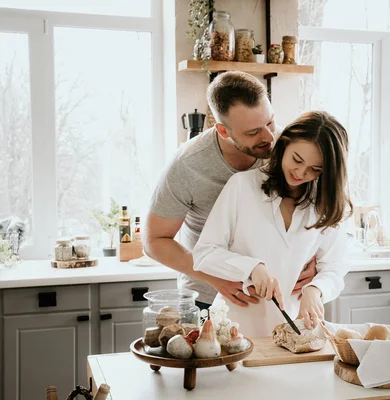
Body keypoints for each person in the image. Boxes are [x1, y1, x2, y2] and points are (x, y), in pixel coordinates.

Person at [143, 71, 317, 310]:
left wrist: (314, 258)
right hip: (208, 296)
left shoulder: (287, 149)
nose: (269, 136)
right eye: (253, 132)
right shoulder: (188, 165)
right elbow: (154, 241)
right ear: (223, 131)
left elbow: (317, 214)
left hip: (273, 295)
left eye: (270, 122)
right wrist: (215, 278)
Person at [193, 111, 353, 337]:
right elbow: (204, 254)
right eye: (297, 159)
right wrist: (252, 268)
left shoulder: (326, 203)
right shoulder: (242, 186)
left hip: (297, 329)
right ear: (284, 144)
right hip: (235, 329)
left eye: (315, 169)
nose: (300, 172)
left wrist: (316, 290)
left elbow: (335, 267)